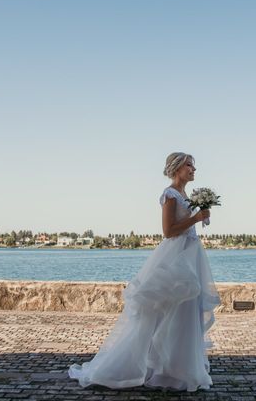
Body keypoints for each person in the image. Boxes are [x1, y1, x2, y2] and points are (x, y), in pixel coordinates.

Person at [68, 152, 221, 392]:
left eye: (194, 165)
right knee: (164, 311)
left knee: (185, 311)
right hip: (175, 257)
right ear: (177, 168)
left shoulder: (186, 195)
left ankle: (180, 370)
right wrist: (195, 218)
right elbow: (168, 231)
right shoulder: (170, 194)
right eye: (189, 165)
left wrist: (201, 216)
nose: (194, 169)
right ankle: (146, 367)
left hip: (190, 256)